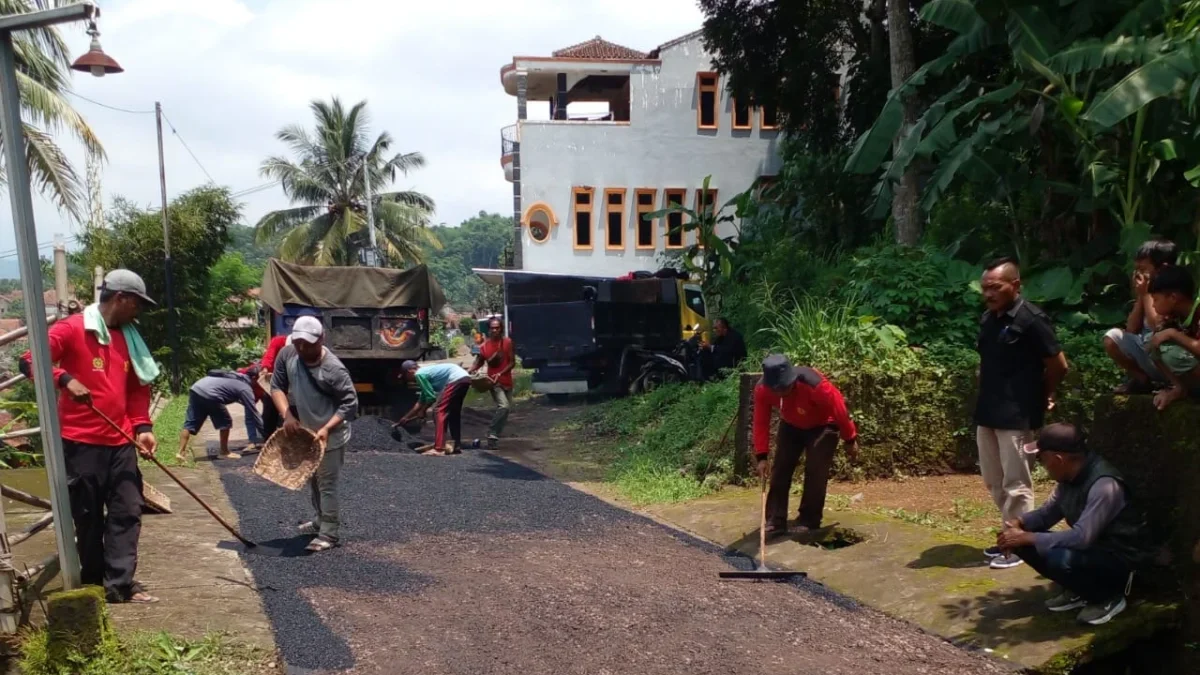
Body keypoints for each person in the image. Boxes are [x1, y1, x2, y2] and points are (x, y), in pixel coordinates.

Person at [19, 270, 160, 603]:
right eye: (136, 304)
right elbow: (28, 361)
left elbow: (139, 386)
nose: (137, 311)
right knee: (88, 516)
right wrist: (64, 379)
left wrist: (143, 426)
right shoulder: (71, 329)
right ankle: (95, 581)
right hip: (80, 442)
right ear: (121, 299)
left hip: (120, 440)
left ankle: (121, 584)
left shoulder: (130, 337)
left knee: (128, 510)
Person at [997, 423, 1147, 626]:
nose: (1041, 463)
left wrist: (1028, 537)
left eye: (1042, 458)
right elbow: (1046, 515)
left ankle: (1107, 598)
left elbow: (1081, 538)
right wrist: (1018, 524)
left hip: (1121, 561)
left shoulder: (1105, 485)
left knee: (1059, 558)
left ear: (1058, 459)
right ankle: (1079, 591)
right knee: (1022, 540)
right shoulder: (1069, 478)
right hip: (1094, 552)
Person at [976, 257, 1070, 570]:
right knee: (994, 480)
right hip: (987, 411)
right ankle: (1011, 535)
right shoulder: (989, 319)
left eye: (995, 287)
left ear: (1015, 286)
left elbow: (1058, 364)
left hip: (1018, 414)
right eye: (984, 287)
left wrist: (1044, 393)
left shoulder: (1032, 319)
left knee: (1017, 483)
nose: (988, 293)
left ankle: (1019, 546)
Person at [270, 316, 358, 553]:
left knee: (327, 483)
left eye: (308, 343)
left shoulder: (333, 369)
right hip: (307, 433)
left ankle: (329, 533)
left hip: (330, 434)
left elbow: (350, 404)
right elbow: (276, 386)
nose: (303, 348)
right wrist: (287, 414)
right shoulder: (287, 354)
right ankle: (320, 519)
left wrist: (327, 428)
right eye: (299, 342)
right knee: (314, 481)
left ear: (322, 338)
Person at [753, 354, 859, 537]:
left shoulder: (815, 385)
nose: (781, 393)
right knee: (780, 468)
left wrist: (850, 438)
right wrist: (761, 456)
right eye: (777, 389)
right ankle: (775, 519)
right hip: (791, 424)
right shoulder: (763, 390)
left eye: (785, 387)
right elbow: (761, 421)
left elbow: (840, 409)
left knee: (815, 470)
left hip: (824, 424)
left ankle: (809, 520)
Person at [1104, 239, 1178, 393]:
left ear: (1162, 268)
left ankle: (1175, 385)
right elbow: (1131, 329)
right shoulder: (1146, 290)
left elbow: (1156, 325)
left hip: (1169, 358)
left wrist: (1145, 294)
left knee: (1153, 340)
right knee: (1111, 338)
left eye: (1143, 268)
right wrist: (1141, 295)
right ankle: (1142, 380)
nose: (1138, 273)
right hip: (1150, 354)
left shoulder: (1173, 290)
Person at [175, 367, 265, 462]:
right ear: (254, 378)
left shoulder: (235, 376)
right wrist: (266, 435)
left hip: (197, 388)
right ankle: (224, 452)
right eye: (261, 378)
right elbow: (254, 413)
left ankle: (181, 453)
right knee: (225, 422)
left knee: (190, 423)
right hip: (211, 394)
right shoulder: (245, 388)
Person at [1145, 265, 1200, 410]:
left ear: (1173, 297)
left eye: (1156, 300)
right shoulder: (1176, 316)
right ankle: (1179, 388)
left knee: (1171, 353)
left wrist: (1172, 334)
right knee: (1153, 342)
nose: (1154, 305)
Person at [398, 361, 471, 455]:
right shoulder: (426, 373)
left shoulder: (419, 374)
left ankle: (439, 448)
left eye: (405, 376)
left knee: (438, 411)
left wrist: (423, 410)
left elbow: (431, 398)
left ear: (410, 371)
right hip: (465, 379)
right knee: (453, 413)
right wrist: (406, 417)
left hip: (455, 379)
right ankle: (456, 445)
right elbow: (420, 402)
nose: (408, 380)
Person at [468, 318, 515, 450]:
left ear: (501, 328)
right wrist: (470, 371)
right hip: (493, 382)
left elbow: (512, 362)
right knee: (504, 406)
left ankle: (494, 436)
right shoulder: (484, 347)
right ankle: (492, 433)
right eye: (492, 328)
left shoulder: (507, 342)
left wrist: (501, 373)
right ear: (488, 330)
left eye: (497, 328)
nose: (495, 330)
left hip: (507, 381)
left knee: (506, 411)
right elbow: (479, 362)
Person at [259, 334, 289, 441]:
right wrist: (265, 368)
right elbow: (269, 355)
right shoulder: (278, 341)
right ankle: (268, 440)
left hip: (289, 383)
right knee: (269, 413)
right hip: (273, 381)